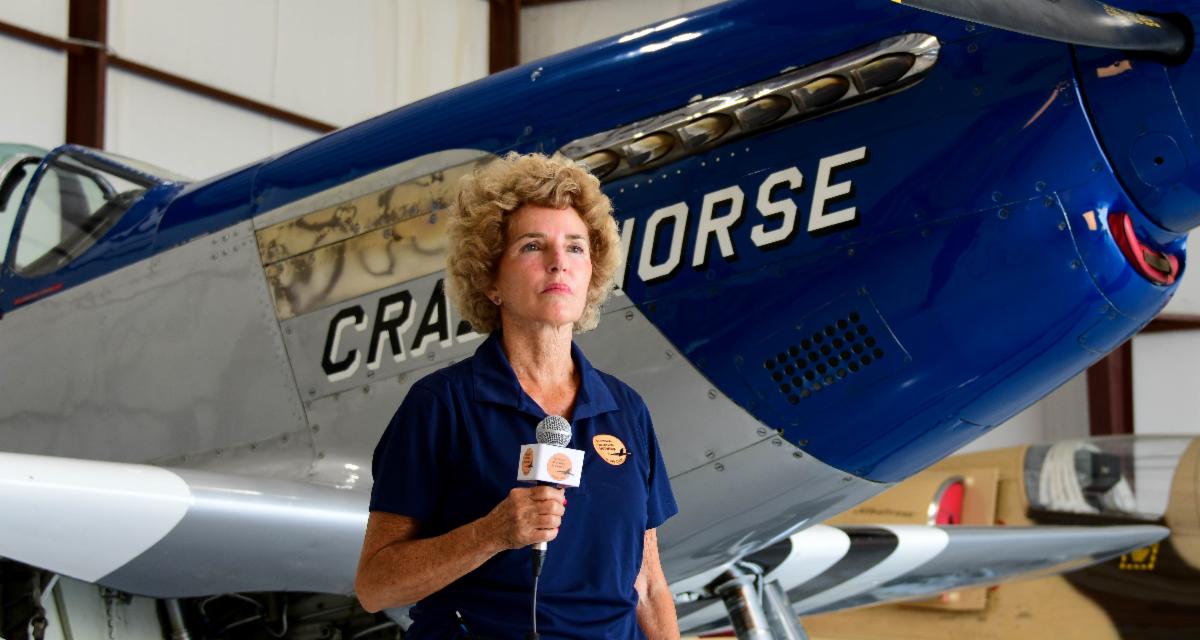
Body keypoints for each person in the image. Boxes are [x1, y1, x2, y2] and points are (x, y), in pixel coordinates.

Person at [355, 152, 680, 639]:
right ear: (490, 280)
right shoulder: (441, 405)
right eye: (533, 246)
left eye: (575, 248)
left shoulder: (626, 410)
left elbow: (649, 584)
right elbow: (375, 586)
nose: (559, 263)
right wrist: (492, 533)